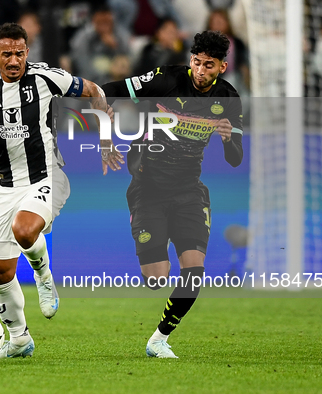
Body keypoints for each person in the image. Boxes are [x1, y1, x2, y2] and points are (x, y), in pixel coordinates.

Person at [0, 22, 121, 359]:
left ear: (27, 53)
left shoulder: (46, 77)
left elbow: (94, 90)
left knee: (24, 230)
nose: (14, 60)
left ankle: (44, 275)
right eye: (6, 54)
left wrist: (105, 138)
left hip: (46, 175)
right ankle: (20, 339)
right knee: (0, 271)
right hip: (4, 185)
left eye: (20, 53)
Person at [101, 30, 243, 358]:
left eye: (209, 65)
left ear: (222, 66)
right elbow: (110, 90)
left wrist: (227, 138)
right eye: (196, 62)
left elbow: (235, 158)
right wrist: (104, 123)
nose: (201, 71)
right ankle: (153, 238)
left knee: (194, 271)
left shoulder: (228, 99)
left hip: (189, 191)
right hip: (147, 188)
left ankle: (159, 339)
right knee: (156, 278)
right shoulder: (166, 79)